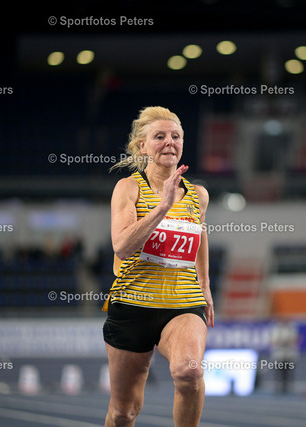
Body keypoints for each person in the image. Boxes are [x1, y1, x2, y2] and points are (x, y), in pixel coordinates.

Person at [102, 106, 214, 427]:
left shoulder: (197, 195)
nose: (169, 142)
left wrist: (205, 285)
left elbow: (200, 234)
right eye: (159, 136)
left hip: (182, 303)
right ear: (142, 146)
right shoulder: (129, 188)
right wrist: (162, 207)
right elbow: (122, 246)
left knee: (189, 372)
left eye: (175, 136)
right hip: (133, 304)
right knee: (124, 413)